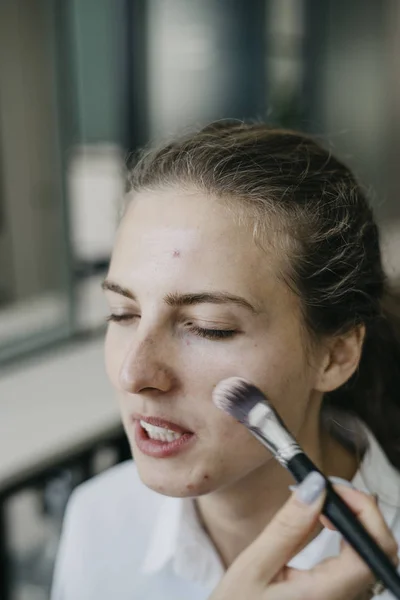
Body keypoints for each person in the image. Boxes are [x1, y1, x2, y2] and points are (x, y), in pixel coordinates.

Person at [51, 121, 400, 600]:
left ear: (336, 354)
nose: (135, 373)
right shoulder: (100, 519)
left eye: (210, 326)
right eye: (123, 313)